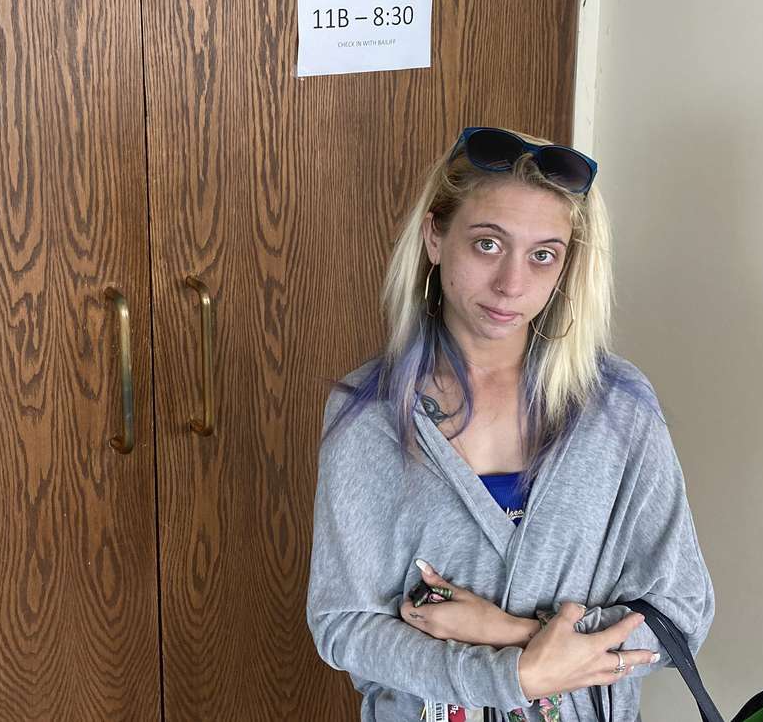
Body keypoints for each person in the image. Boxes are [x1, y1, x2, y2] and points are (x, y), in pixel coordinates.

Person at [305, 127, 716, 722]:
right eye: (488, 245)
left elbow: (681, 612)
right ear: (435, 237)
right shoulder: (368, 415)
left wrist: (509, 633)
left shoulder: (618, 412)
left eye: (542, 255)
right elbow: (344, 625)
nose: (512, 285)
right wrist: (513, 675)